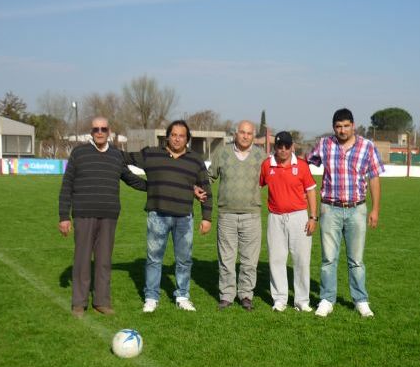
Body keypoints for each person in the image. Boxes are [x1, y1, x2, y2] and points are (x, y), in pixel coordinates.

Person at [58, 116, 147, 318]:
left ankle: (102, 301)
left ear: (109, 131)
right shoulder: (79, 153)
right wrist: (64, 216)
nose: (99, 132)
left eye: (103, 129)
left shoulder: (116, 155)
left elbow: (131, 180)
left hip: (109, 216)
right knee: (81, 260)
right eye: (96, 129)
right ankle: (79, 303)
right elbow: (67, 185)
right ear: (91, 132)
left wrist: (157, 187)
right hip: (83, 215)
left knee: (104, 261)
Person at [125, 120, 213, 313]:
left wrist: (207, 217)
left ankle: (182, 296)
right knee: (154, 258)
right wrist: (146, 186)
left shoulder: (195, 160)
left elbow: (205, 188)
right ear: (167, 136)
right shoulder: (152, 154)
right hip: (157, 215)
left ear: (187, 139)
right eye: (173, 135)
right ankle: (151, 297)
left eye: (181, 135)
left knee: (184, 259)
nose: (177, 138)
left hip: (184, 218)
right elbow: (124, 159)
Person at [307, 108, 384, 318]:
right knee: (328, 259)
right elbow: (307, 164)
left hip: (357, 209)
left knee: (356, 260)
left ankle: (361, 300)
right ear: (334, 127)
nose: (342, 130)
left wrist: (375, 209)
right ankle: (326, 299)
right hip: (330, 208)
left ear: (353, 125)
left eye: (346, 126)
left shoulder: (367, 147)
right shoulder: (324, 145)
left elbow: (374, 178)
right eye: (338, 126)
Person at [208, 120, 266, 310]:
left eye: (249, 133)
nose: (245, 136)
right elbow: (209, 177)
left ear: (253, 135)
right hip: (226, 215)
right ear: (236, 133)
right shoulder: (222, 152)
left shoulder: (261, 156)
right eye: (242, 132)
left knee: (250, 260)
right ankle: (227, 295)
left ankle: (246, 295)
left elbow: (272, 179)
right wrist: (198, 188)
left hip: (252, 215)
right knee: (226, 259)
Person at [260, 131, 318, 312]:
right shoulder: (267, 165)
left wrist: (313, 217)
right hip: (275, 218)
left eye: (286, 146)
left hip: (299, 217)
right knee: (276, 259)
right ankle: (279, 299)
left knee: (301, 260)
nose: (283, 150)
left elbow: (311, 191)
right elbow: (257, 186)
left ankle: (302, 300)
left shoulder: (301, 166)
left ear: (292, 146)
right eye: (279, 146)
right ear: (275, 147)